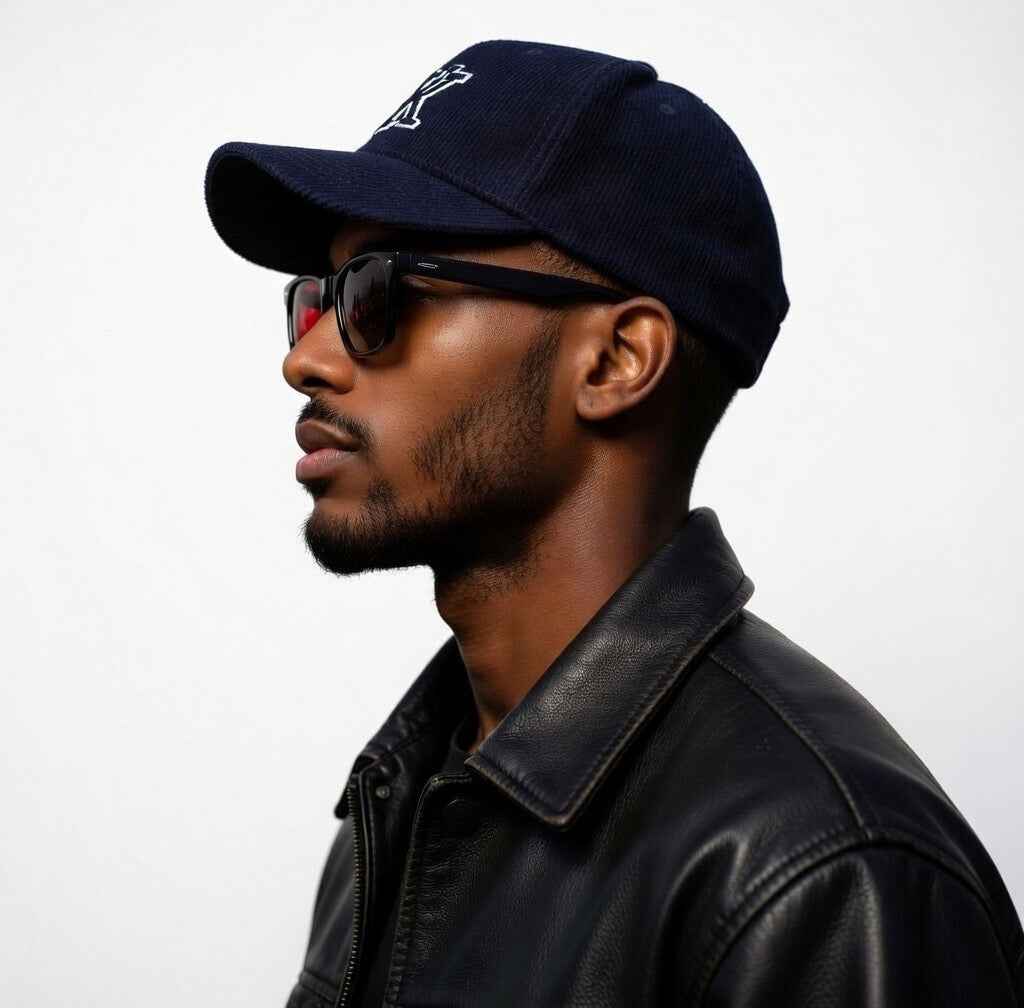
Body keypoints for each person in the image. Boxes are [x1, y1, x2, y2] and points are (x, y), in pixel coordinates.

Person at [204, 38, 1023, 1008]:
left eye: (381, 293)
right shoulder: (405, 799)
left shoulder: (824, 875)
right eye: (316, 299)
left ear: (617, 360)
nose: (307, 360)